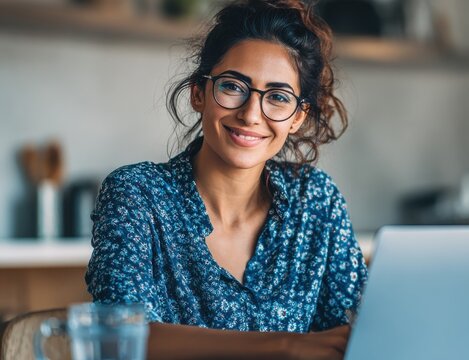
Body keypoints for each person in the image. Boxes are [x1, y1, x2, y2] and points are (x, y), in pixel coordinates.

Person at [85, 0, 368, 359]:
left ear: (297, 117)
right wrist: (286, 346)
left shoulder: (316, 199)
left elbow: (360, 329)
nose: (251, 114)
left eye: (278, 97)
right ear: (199, 93)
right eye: (233, 87)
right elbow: (118, 337)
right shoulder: (138, 194)